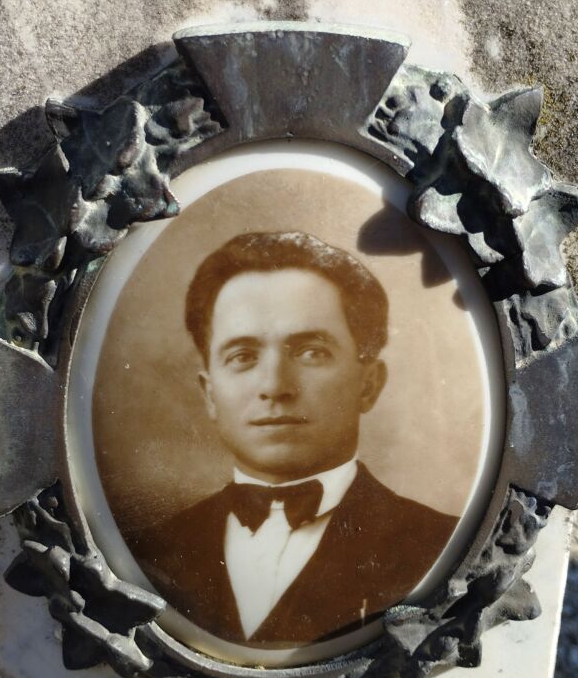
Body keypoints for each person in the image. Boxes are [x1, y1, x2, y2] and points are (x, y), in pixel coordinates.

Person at [134, 231, 458, 648]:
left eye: (311, 352)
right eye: (242, 357)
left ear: (368, 384)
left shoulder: (440, 548)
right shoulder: (148, 552)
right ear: (209, 393)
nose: (275, 387)